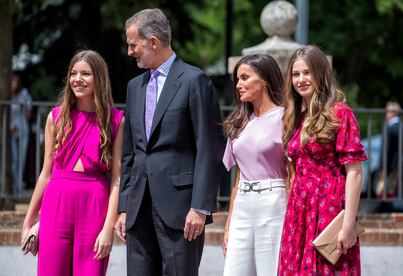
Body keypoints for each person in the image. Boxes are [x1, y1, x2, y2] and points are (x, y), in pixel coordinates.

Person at [115, 8, 225, 276]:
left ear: (153, 41)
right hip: (138, 209)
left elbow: (209, 148)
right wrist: (124, 207)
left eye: (133, 44)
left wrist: (200, 206)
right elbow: (131, 153)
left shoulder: (193, 80)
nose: (129, 52)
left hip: (181, 210)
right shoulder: (134, 86)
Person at [21, 50, 124, 275]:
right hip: (56, 204)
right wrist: (29, 222)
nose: (78, 79)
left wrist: (108, 228)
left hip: (95, 206)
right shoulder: (55, 118)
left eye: (86, 73)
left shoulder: (116, 120)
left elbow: (117, 179)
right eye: (73, 73)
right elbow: (45, 174)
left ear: (99, 78)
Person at [278, 45, 367, 274]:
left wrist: (348, 225)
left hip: (329, 207)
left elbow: (355, 172)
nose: (301, 79)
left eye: (307, 72)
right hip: (299, 210)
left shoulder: (340, 113)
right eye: (296, 74)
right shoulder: (295, 118)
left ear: (320, 73)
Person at [221, 54, 286, 276]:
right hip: (243, 203)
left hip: (274, 200)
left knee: (271, 270)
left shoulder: (285, 119)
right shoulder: (240, 121)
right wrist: (229, 222)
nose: (239, 85)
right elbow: (239, 176)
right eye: (237, 79)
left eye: (245, 77)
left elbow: (294, 172)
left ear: (265, 80)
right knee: (234, 271)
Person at [376, 102, 403, 197]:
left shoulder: (389, 128)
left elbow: (385, 150)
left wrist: (382, 168)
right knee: (391, 190)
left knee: (383, 191)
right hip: (399, 164)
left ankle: (385, 208)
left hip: (388, 165)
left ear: (392, 113)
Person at [10, 73, 33, 195]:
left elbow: (28, 114)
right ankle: (15, 186)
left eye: (14, 81)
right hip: (11, 132)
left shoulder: (23, 94)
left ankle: (19, 186)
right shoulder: (8, 96)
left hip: (22, 130)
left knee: (21, 159)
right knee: (13, 160)